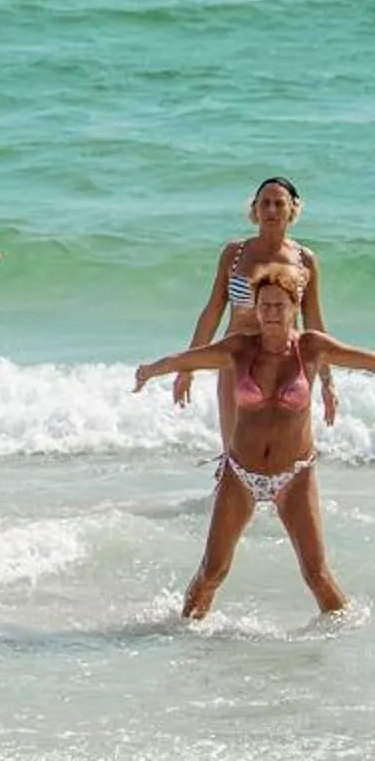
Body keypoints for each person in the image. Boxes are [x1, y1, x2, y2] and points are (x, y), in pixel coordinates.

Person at [133, 259, 374, 619]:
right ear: (256, 310)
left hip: (295, 475)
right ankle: (182, 638)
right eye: (265, 306)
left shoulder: (311, 347)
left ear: (294, 306)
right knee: (212, 571)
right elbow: (187, 359)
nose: (272, 312)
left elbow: (369, 361)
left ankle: (345, 641)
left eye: (279, 304)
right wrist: (150, 370)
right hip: (241, 474)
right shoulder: (240, 348)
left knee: (316, 574)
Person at [172, 175, 334, 446]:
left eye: (279, 204)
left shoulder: (304, 260)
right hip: (237, 359)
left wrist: (328, 381)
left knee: (282, 451)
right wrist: (187, 367)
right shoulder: (234, 254)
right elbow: (212, 312)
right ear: (255, 209)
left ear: (292, 209)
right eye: (265, 203)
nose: (271, 210)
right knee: (235, 449)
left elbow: (314, 323)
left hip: (286, 363)